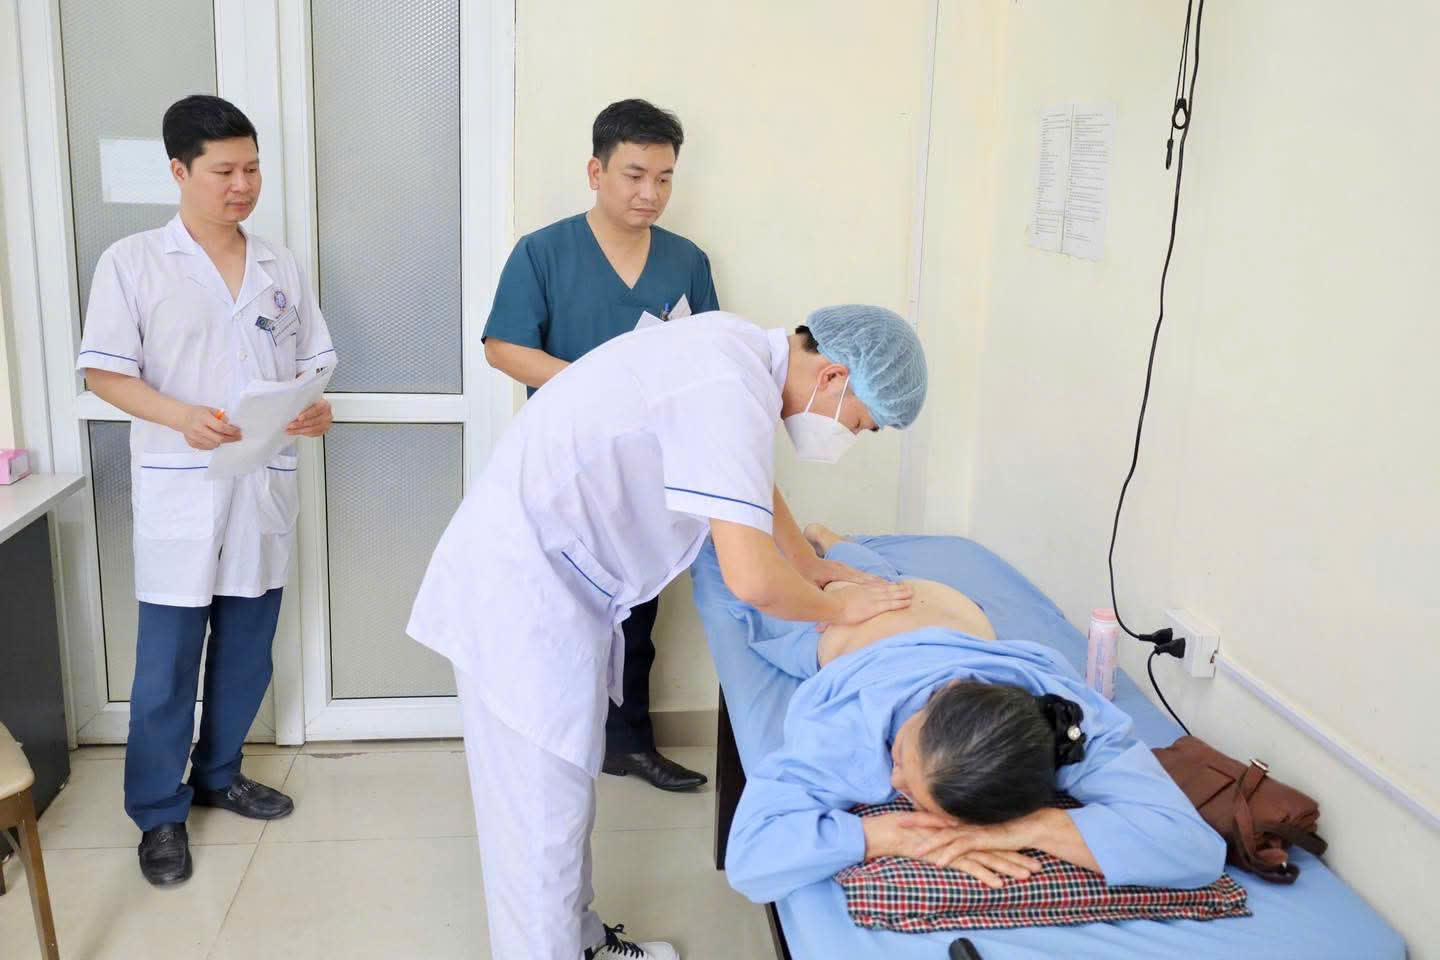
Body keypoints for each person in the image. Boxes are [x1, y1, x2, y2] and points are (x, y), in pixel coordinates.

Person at [408, 305, 928, 959]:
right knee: (540, 818)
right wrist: (841, 609)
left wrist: (811, 565)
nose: (849, 437)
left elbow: (749, 482)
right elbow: (752, 582)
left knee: (563, 801)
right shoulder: (727, 384)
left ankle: (581, 943)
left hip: (554, 578)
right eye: (859, 424)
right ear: (833, 377)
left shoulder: (737, 355)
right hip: (522, 590)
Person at [76, 95, 336, 887]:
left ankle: (221, 774)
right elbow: (103, 372)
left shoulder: (279, 265)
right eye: (224, 171)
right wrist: (180, 416)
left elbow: (310, 365)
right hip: (181, 487)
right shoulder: (133, 262)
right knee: (166, 667)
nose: (243, 185)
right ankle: (159, 811)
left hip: (259, 483)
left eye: (252, 168)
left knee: (247, 650)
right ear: (179, 171)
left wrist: (313, 409)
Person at [723, 532, 1227, 904]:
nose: (893, 781)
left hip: (941, 604)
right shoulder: (847, 728)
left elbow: (1195, 849)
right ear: (945, 693)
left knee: (866, 573)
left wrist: (1036, 827)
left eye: (908, 787)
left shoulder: (1066, 723)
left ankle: (838, 545)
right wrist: (883, 835)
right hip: (852, 622)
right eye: (901, 756)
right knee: (789, 587)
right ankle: (829, 542)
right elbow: (750, 857)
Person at [482, 99, 719, 792]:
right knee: (563, 614)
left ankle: (630, 743)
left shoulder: (686, 261)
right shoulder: (544, 252)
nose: (651, 193)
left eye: (665, 178)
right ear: (596, 172)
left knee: (638, 615)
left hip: (648, 468)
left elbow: (708, 357)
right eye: (635, 175)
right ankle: (554, 743)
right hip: (568, 465)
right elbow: (503, 347)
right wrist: (596, 386)